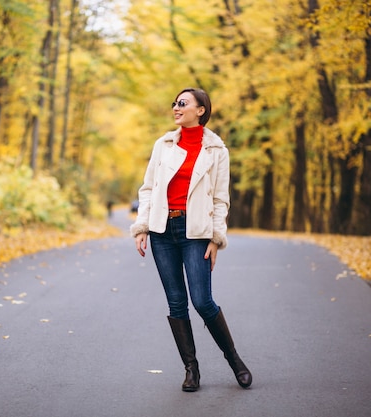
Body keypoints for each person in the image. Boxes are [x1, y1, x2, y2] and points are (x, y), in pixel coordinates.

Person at [130, 87, 252, 391]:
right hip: (161, 231)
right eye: (174, 103)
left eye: (182, 103)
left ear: (201, 110)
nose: (175, 107)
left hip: (195, 232)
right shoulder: (164, 144)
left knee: (202, 301)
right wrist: (142, 226)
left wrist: (216, 238)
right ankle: (191, 369)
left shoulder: (216, 151)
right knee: (176, 302)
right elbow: (147, 189)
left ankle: (234, 360)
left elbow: (221, 199)